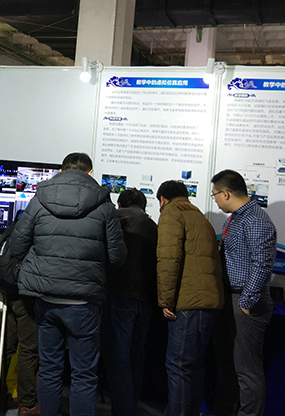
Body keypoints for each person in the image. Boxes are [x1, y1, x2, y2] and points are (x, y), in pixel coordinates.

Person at [10, 152, 127, 416]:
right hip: (84, 300)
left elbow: (16, 246)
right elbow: (118, 257)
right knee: (84, 373)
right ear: (90, 172)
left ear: (61, 171)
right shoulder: (104, 204)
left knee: (49, 369)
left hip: (46, 298)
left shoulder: (39, 199)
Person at [211, 169, 277, 416]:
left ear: (226, 193)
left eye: (215, 195)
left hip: (246, 301)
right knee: (227, 364)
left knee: (246, 369)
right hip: (231, 298)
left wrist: (247, 302)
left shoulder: (256, 220)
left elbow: (263, 264)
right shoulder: (235, 219)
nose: (215, 200)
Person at [156, 180, 223, 416]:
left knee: (179, 367)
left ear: (163, 199)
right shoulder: (199, 216)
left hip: (188, 302)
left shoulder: (171, 212)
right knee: (194, 367)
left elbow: (168, 259)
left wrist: (165, 300)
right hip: (209, 301)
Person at [102, 188, 158, 416]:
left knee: (119, 357)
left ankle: (122, 410)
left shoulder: (116, 221)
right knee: (136, 354)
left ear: (120, 205)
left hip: (120, 294)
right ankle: (131, 405)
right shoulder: (153, 226)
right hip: (146, 298)